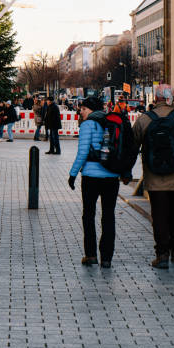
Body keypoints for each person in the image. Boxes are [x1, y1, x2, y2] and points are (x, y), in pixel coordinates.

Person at [132, 84, 174, 268]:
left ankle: (162, 254)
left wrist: (125, 172)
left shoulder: (144, 120)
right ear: (172, 98)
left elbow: (131, 148)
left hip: (154, 179)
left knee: (159, 215)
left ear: (156, 98)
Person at [68, 96, 129, 268]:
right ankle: (107, 258)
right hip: (111, 176)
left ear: (90, 109)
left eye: (83, 109)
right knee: (108, 216)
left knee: (89, 215)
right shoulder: (112, 122)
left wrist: (72, 175)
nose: (81, 112)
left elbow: (82, 153)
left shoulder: (88, 125)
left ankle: (91, 255)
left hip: (91, 177)